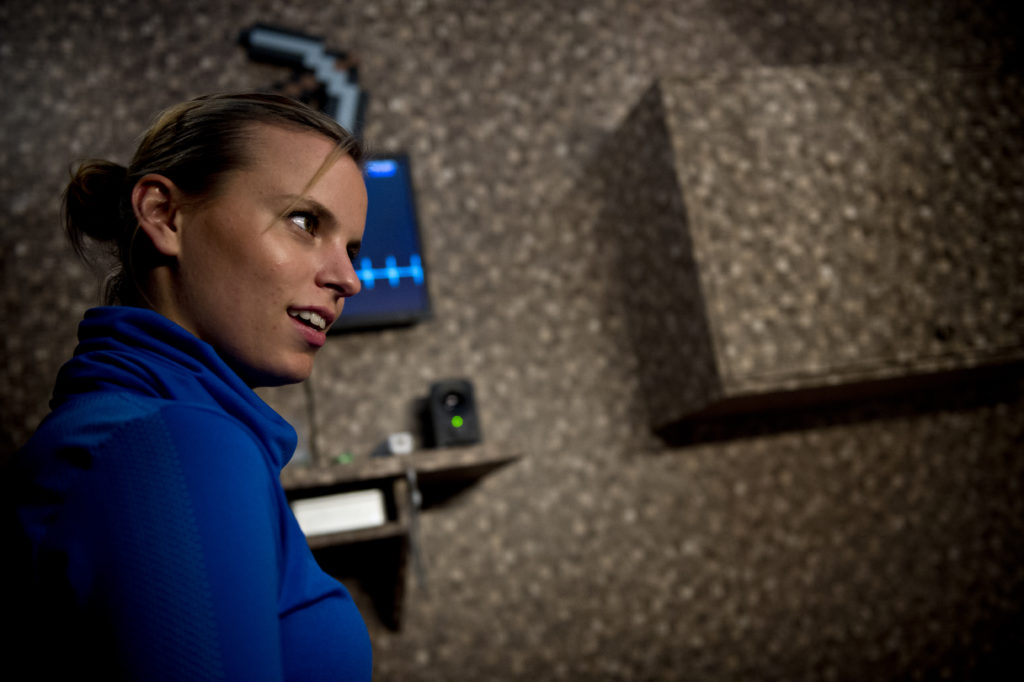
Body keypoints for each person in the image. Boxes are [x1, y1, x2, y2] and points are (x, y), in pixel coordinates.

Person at [4, 93, 372, 681]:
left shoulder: (131, 430)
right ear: (165, 215)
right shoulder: (177, 446)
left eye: (351, 249)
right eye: (305, 222)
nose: (348, 279)